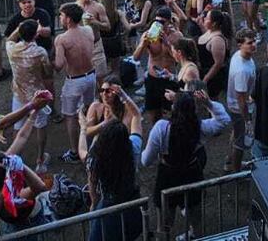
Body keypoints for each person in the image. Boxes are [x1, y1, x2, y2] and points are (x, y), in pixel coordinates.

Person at [142, 91, 230, 231]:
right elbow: (224, 120)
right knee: (195, 217)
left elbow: (146, 160)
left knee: (164, 224)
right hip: (191, 173)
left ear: (173, 108)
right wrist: (209, 104)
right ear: (194, 109)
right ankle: (195, 234)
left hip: (167, 177)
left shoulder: (161, 128)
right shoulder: (199, 127)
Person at [4, 18, 54, 172]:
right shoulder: (40, 52)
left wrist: (18, 29)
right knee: (40, 126)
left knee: (18, 127)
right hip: (37, 96)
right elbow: (48, 72)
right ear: (36, 35)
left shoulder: (11, 49)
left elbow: (9, 39)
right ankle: (40, 160)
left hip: (19, 94)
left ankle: (15, 160)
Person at [84, 119, 144, 241]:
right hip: (132, 204)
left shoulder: (96, 158)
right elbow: (137, 117)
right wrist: (125, 98)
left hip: (109, 208)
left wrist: (81, 130)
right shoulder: (133, 147)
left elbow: (94, 195)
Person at [54, 2, 96, 164]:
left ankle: (74, 152)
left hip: (75, 81)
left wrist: (46, 60)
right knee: (89, 109)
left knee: (70, 116)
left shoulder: (62, 39)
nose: (60, 18)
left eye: (61, 15)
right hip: (91, 76)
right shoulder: (88, 30)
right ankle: (90, 143)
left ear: (68, 19)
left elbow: (58, 66)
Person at [226, 28, 257, 172]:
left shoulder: (239, 56)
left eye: (254, 41)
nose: (254, 45)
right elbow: (241, 99)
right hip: (239, 109)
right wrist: (247, 120)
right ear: (240, 45)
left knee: (236, 133)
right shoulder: (242, 71)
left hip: (237, 104)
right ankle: (236, 171)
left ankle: (230, 161)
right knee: (241, 141)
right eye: (249, 43)